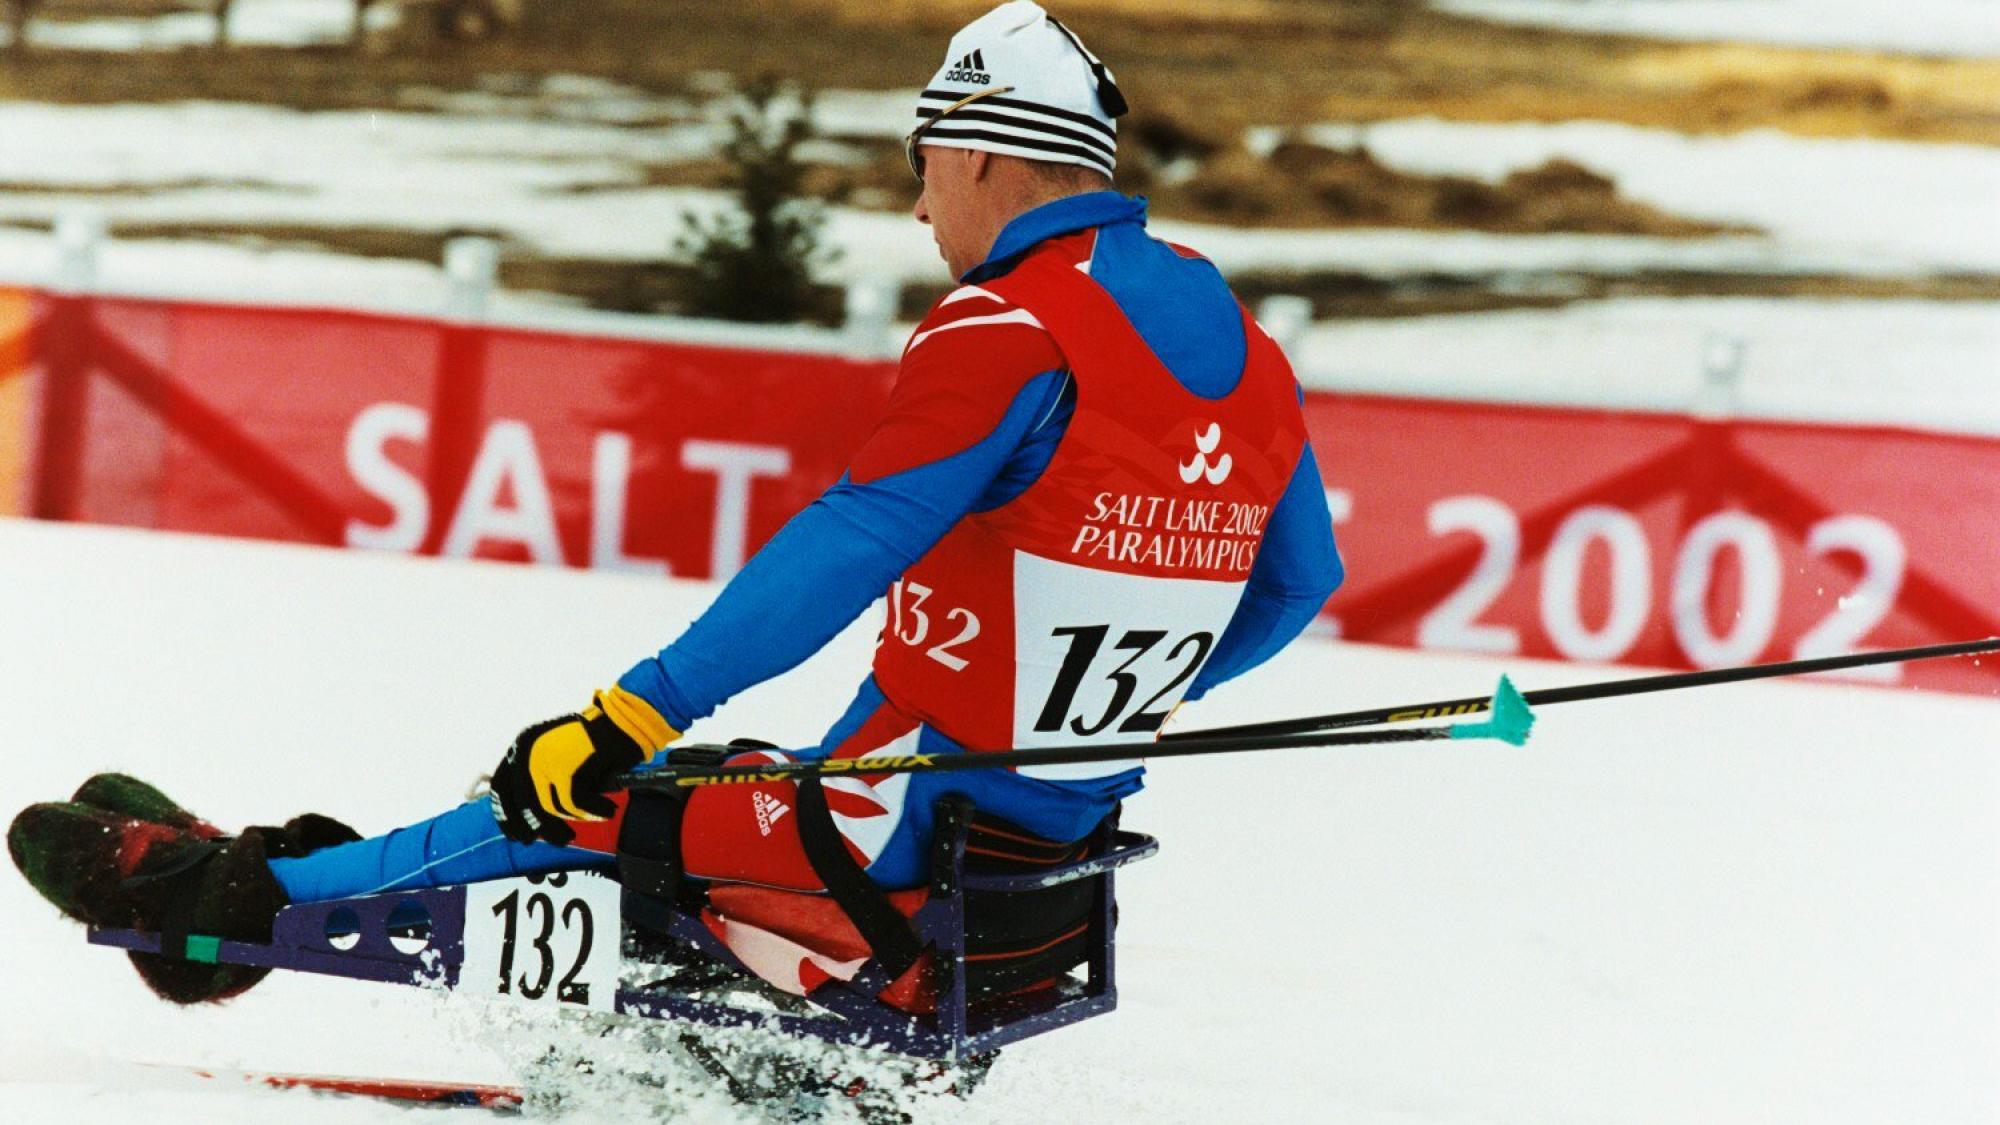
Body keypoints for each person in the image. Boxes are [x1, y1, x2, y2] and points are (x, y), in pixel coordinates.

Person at [8, 0, 1343, 1005]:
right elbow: (1295, 587)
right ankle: (291, 865)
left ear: (986, 154)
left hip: (889, 843)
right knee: (687, 785)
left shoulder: (1007, 323)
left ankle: (224, 906)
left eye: (922, 159)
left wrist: (625, 711)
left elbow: (847, 543)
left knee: (579, 795)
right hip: (1026, 861)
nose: (918, 198)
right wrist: (1119, 698)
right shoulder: (1246, 345)